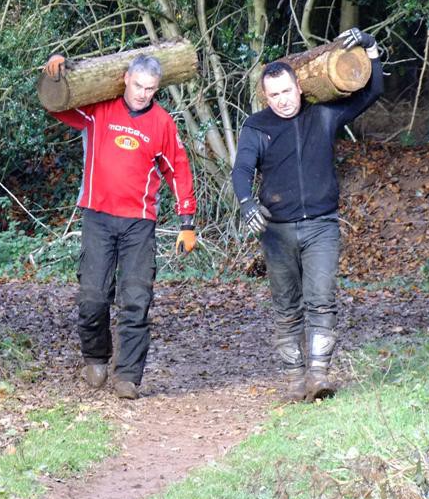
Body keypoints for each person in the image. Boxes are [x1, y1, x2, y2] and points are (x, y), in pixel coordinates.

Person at [231, 28, 383, 402]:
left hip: (321, 225)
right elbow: (242, 169)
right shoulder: (257, 126)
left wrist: (370, 47)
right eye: (274, 95)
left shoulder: (323, 115)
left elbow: (372, 92)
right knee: (286, 306)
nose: (283, 101)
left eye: (287, 91)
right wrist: (247, 203)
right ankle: (294, 379)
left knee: (322, 299)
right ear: (265, 97)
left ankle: (318, 375)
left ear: (299, 87)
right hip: (277, 231)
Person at [43, 52, 197, 400]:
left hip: (138, 224)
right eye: (139, 85)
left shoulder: (161, 123)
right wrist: (55, 75)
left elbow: (178, 169)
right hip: (98, 216)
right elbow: (57, 107)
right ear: (126, 78)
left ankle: (128, 375)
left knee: (136, 300)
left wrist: (187, 220)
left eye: (151, 88)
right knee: (93, 297)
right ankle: (96, 357)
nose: (143, 94)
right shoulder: (100, 110)